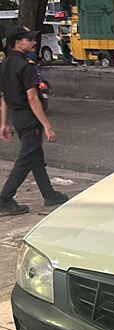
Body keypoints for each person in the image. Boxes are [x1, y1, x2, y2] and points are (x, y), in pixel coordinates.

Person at [0, 26, 67, 217]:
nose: (34, 42)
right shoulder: (25, 66)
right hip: (30, 118)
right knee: (25, 160)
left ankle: (49, 194)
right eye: (29, 40)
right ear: (18, 42)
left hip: (18, 118)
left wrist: (4, 123)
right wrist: (47, 125)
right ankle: (4, 199)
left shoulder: (4, 65)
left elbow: (4, 96)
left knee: (35, 158)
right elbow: (33, 98)